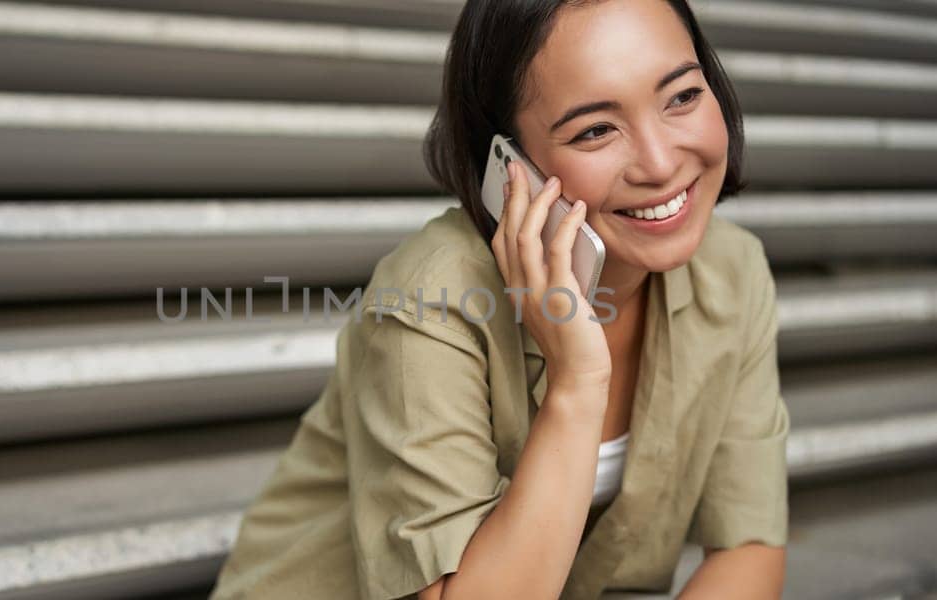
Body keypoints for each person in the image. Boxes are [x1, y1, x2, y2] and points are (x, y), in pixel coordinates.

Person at [209, 0, 789, 598]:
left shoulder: (732, 269)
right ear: (509, 165)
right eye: (595, 129)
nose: (661, 162)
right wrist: (577, 381)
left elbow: (749, 547)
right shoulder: (429, 301)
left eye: (683, 97)